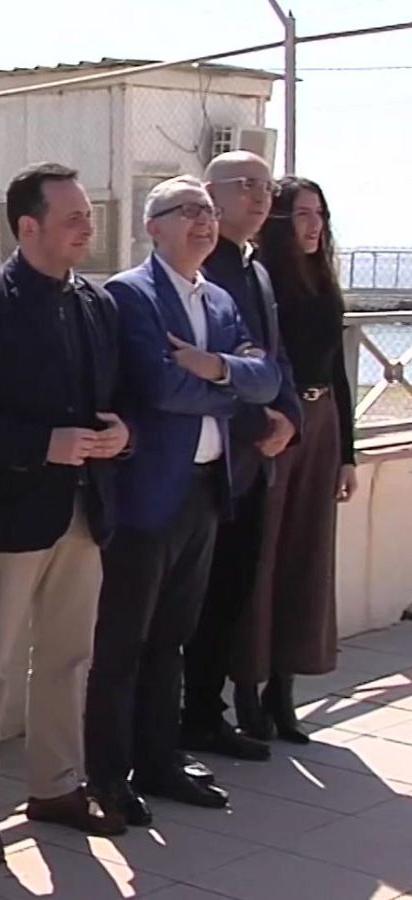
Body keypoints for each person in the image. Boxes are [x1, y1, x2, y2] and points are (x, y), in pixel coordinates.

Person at [0, 163, 130, 866]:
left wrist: (122, 435)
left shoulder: (98, 305)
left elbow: (120, 395)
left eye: (89, 215)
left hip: (85, 512)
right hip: (10, 513)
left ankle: (56, 787)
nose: (89, 227)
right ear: (29, 226)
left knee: (68, 657)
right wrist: (38, 446)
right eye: (74, 217)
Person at [85, 175, 281, 827]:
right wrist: (225, 381)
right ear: (154, 227)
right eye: (186, 211)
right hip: (147, 496)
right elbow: (157, 385)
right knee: (123, 643)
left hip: (204, 490)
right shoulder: (130, 294)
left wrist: (214, 366)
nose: (203, 221)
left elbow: (267, 376)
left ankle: (160, 760)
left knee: (172, 637)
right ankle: (108, 775)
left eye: (206, 211)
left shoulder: (220, 300)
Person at [181, 151, 302, 763]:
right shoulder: (206, 270)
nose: (260, 198)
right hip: (219, 459)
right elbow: (215, 368)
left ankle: (208, 710)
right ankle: (192, 715)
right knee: (200, 599)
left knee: (232, 591)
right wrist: (261, 422)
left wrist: (290, 422)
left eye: (266, 187)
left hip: (258, 460)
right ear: (209, 195)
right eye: (246, 186)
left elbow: (273, 359)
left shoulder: (254, 268)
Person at [240, 176, 358, 743]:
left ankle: (284, 689)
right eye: (303, 214)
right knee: (263, 557)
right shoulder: (262, 280)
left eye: (320, 214)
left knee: (308, 556)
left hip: (323, 421)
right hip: (278, 423)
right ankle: (247, 691)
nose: (314, 225)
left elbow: (336, 366)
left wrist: (348, 454)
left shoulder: (323, 282)